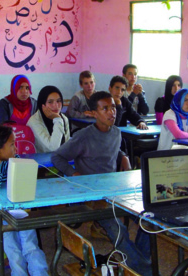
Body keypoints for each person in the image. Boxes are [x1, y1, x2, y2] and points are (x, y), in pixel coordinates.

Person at [52, 91, 151, 275]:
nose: (111, 112)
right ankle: (145, 270)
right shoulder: (83, 136)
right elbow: (57, 157)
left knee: (148, 219)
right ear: (93, 113)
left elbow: (114, 151)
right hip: (91, 195)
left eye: (113, 107)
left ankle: (135, 264)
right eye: (105, 108)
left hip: (115, 190)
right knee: (118, 229)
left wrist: (124, 158)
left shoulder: (116, 132)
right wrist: (74, 174)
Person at [0, 125, 49, 276]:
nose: (16, 148)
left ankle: (40, 273)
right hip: (0, 216)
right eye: (12, 145)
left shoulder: (15, 160)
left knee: (30, 246)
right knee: (14, 252)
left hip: (21, 212)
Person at [27, 85, 70, 153]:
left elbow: (67, 146)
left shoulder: (64, 119)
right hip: (39, 162)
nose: (56, 106)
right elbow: (52, 148)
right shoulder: (34, 121)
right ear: (42, 105)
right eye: (50, 102)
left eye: (58, 101)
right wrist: (57, 120)